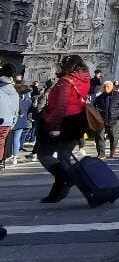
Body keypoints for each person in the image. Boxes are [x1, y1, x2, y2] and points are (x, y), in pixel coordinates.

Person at [35, 55, 91, 203]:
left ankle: (66, 179)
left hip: (63, 122)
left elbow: (61, 105)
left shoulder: (66, 81)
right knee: (64, 156)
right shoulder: (84, 80)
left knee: (44, 154)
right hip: (77, 122)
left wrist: (54, 126)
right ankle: (61, 190)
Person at [94, 80, 119, 159]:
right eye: (104, 86)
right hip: (102, 120)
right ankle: (101, 153)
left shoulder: (118, 95)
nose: (106, 88)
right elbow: (94, 107)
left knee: (114, 137)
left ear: (112, 87)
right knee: (100, 136)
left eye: (107, 86)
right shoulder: (99, 97)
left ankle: (112, 151)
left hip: (115, 120)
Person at [0, 65, 19, 168]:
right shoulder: (14, 90)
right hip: (7, 122)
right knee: (1, 143)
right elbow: (16, 109)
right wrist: (13, 122)